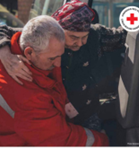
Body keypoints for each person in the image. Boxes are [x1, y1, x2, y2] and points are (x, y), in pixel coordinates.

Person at [0, 0, 127, 132]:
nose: (80, 43)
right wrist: (4, 52)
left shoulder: (96, 35)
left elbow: (127, 35)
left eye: (84, 37)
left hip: (86, 111)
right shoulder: (43, 34)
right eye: (73, 37)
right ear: (57, 30)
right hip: (51, 111)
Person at [0, 15, 108, 146]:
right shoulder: (26, 95)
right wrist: (104, 141)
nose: (58, 64)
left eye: (60, 56)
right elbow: (60, 140)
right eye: (52, 59)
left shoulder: (33, 48)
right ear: (29, 53)